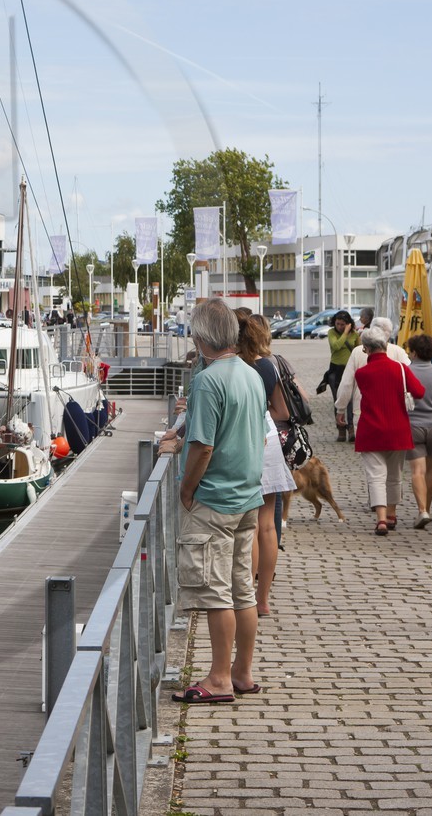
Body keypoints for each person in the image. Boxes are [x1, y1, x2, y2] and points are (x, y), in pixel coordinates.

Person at [157, 298, 265, 703]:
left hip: (215, 498)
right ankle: (242, 671)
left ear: (201, 336)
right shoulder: (250, 374)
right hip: (247, 495)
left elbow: (203, 445)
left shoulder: (207, 380)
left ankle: (218, 679)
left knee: (216, 590)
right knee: (242, 589)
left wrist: (187, 489)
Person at [237, 311, 297, 617]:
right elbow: (282, 411)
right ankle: (263, 601)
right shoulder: (267, 366)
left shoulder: (234, 366)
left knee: (247, 527)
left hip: (247, 442)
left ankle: (246, 596)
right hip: (270, 441)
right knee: (267, 526)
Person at [352, 328, 425, 535]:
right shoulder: (401, 369)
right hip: (397, 429)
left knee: (376, 476)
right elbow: (419, 392)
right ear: (386, 345)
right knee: (394, 475)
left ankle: (381, 519)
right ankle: (392, 514)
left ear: (365, 348)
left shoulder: (362, 373)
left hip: (371, 430)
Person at [333, 316, 408, 441]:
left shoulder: (358, 352)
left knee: (369, 452)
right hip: (393, 411)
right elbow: (410, 375)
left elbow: (346, 383)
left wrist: (340, 408)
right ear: (389, 334)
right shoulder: (398, 351)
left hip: (363, 410)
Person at [404, 333, 432, 528]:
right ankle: (427, 508)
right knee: (431, 470)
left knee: (417, 471)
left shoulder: (405, 372)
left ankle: (422, 510)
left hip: (413, 425)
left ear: (413, 352)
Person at [319, 311, 360, 438]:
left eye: (343, 324)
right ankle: (341, 429)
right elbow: (336, 346)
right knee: (338, 400)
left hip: (351, 369)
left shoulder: (355, 334)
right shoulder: (332, 332)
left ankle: (351, 429)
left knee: (351, 401)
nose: (340, 327)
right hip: (336, 371)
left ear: (348, 324)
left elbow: (359, 350)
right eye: (338, 324)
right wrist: (345, 333)